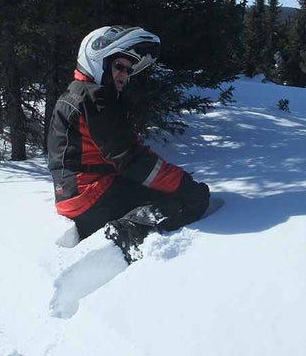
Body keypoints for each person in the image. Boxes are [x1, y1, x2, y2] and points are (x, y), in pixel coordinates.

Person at [47, 26, 210, 263]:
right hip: (91, 198)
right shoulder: (96, 98)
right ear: (98, 61)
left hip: (76, 194)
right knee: (194, 198)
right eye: (119, 66)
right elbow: (131, 159)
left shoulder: (76, 92)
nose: (124, 75)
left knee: (159, 185)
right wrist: (180, 182)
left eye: (129, 70)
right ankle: (126, 233)